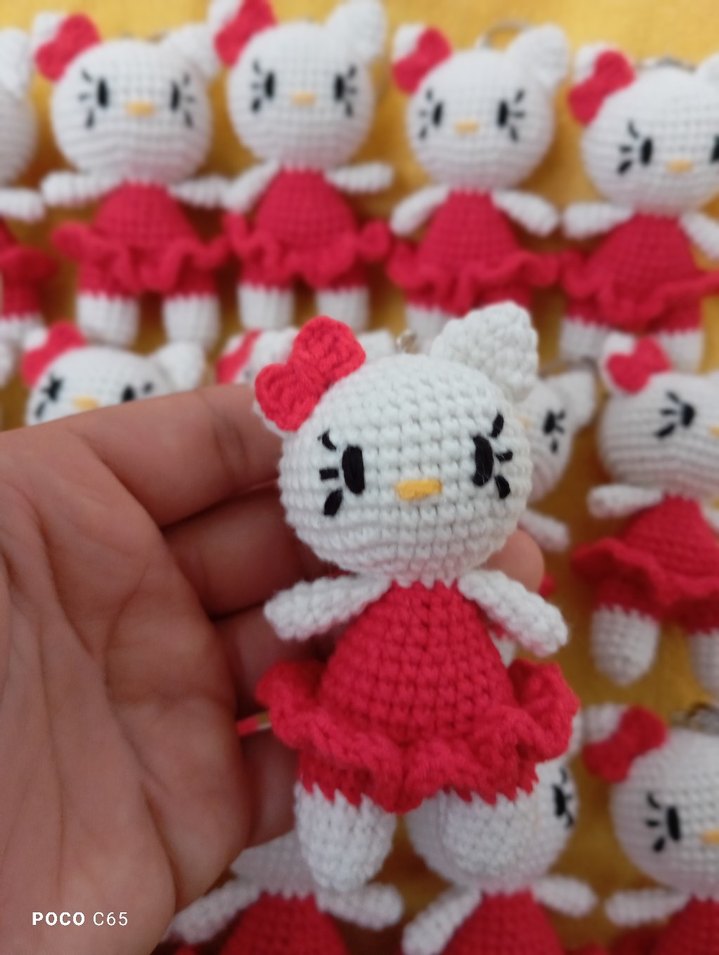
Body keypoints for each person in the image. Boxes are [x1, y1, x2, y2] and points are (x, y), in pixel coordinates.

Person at [0, 384, 544, 955]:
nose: (418, 489)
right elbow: (307, 610)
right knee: (341, 764)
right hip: (361, 710)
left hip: (470, 712)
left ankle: (472, 819)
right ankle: (349, 826)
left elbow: (511, 610)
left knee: (487, 760)